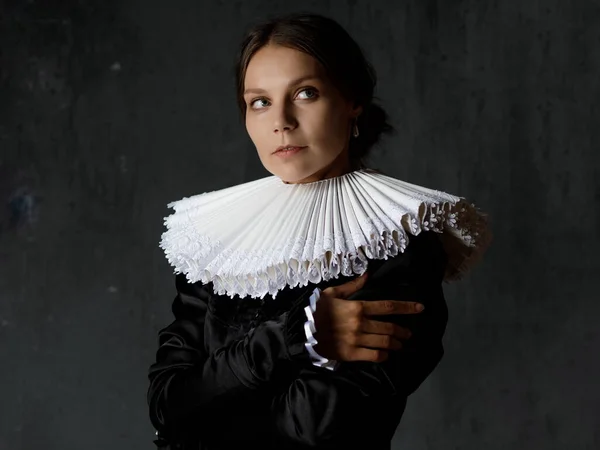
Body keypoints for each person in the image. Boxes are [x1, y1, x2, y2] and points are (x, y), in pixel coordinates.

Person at [147, 12, 491, 450]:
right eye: (260, 101)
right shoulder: (216, 235)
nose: (282, 121)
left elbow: (314, 430)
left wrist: (193, 421)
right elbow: (164, 404)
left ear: (352, 102)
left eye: (305, 93)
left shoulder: (397, 243)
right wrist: (294, 338)